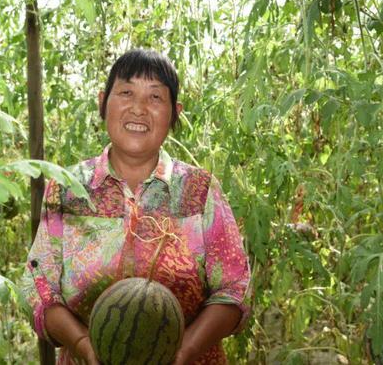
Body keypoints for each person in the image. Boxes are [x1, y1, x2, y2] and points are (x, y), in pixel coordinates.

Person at [26, 49, 251, 364]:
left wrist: (185, 349)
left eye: (155, 97)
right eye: (126, 92)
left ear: (175, 112)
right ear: (103, 102)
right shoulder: (67, 189)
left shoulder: (200, 191)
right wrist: (83, 344)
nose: (139, 108)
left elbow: (234, 289)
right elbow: (40, 289)